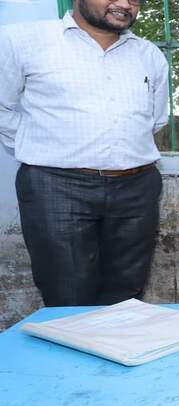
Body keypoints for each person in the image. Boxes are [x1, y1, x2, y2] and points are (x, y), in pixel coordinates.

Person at [0, 0, 168, 306]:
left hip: (137, 188)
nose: (124, 4)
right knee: (67, 295)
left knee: (127, 296)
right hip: (56, 187)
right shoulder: (21, 40)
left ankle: (115, 352)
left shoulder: (149, 55)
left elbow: (155, 119)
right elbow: (3, 108)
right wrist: (44, 148)